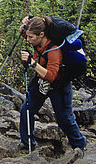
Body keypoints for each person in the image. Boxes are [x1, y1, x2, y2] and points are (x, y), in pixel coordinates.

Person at [19, 15, 86, 155]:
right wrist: (24, 25)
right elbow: (27, 33)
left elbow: (51, 76)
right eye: (27, 36)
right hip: (41, 82)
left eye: (30, 37)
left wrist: (32, 63)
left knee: (64, 118)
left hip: (59, 84)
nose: (27, 40)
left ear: (41, 34)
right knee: (26, 110)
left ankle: (79, 145)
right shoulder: (37, 41)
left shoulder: (54, 49)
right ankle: (28, 143)